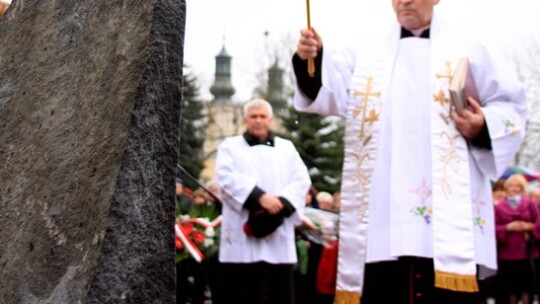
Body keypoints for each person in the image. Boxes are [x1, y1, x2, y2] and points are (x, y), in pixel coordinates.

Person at [292, 0, 527, 303]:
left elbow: (512, 106)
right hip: (384, 215)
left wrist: (482, 126)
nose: (404, 1)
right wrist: (308, 59)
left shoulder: (470, 48)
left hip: (450, 220)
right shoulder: (367, 52)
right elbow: (325, 91)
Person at [215, 98, 311, 304]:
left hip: (278, 231)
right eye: (253, 116)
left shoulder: (287, 148)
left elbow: (301, 181)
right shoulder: (230, 147)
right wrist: (260, 198)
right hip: (242, 233)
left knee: (279, 292)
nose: (258, 121)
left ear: (271, 119)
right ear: (245, 119)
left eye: (262, 116)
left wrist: (281, 204)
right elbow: (226, 178)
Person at [495, 174, 540, 304]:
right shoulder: (499, 207)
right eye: (511, 186)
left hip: (526, 252)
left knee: (527, 287)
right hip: (507, 252)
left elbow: (537, 222)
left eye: (517, 186)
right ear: (506, 188)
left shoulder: (530, 203)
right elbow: (493, 228)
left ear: (521, 188)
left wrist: (529, 227)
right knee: (510, 288)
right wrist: (508, 228)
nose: (513, 188)